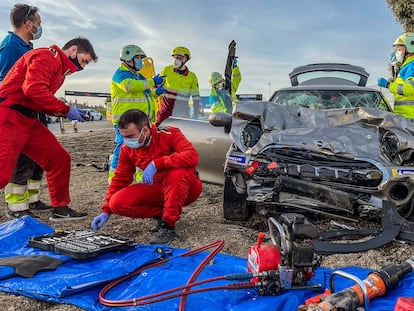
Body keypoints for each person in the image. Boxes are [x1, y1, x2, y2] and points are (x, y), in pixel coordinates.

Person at [0, 36, 98, 221]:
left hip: (28, 119)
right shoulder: (47, 57)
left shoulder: (58, 69)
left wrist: (66, 111)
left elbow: (38, 97)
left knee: (58, 159)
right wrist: (67, 110)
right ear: (74, 50)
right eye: (84, 61)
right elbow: (34, 89)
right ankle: (20, 208)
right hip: (9, 116)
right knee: (2, 172)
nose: (82, 67)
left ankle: (60, 209)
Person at [91, 109, 202, 244]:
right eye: (124, 137)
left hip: (187, 187)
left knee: (177, 174)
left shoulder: (169, 133)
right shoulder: (127, 149)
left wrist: (158, 163)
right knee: (117, 203)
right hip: (158, 189)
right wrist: (106, 210)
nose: (127, 141)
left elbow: (191, 156)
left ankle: (168, 225)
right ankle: (162, 214)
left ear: (145, 130)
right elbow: (120, 179)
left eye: (130, 136)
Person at [0, 4, 51, 218]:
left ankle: (32, 198)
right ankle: (17, 208)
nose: (39, 27)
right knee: (21, 159)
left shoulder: (27, 48)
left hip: (34, 111)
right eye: (38, 24)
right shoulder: (11, 47)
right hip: (18, 113)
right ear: (28, 24)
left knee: (38, 157)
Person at [108, 44, 165, 182]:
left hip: (140, 121)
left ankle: (142, 179)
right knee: (122, 150)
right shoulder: (121, 74)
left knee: (143, 151)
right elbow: (130, 87)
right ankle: (115, 179)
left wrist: (156, 93)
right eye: (138, 58)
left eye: (141, 58)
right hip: (126, 121)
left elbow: (145, 93)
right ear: (128, 59)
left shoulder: (139, 76)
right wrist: (151, 81)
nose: (141, 61)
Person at [156, 46, 200, 125]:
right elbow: (156, 87)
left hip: (182, 115)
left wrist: (196, 114)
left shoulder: (192, 76)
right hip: (164, 114)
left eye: (179, 58)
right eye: (175, 57)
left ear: (186, 59)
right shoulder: (167, 70)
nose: (176, 60)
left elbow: (195, 97)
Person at [378, 32, 414, 119]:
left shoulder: (411, 66)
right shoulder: (406, 66)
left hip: (410, 119)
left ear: (410, 48)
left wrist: (389, 85)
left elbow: (411, 88)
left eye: (399, 48)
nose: (396, 52)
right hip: (405, 118)